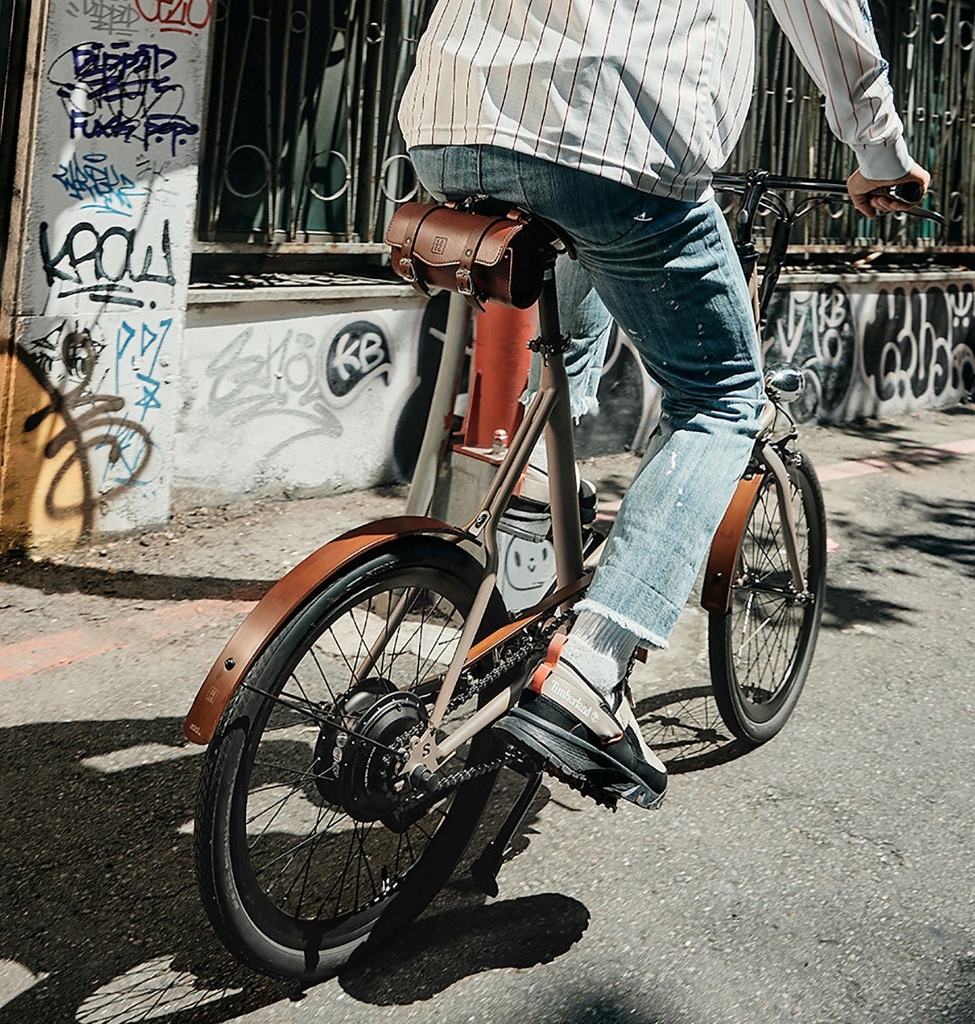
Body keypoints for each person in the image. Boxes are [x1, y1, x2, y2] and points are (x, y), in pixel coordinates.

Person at [398, 0, 930, 810]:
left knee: (569, 321)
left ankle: (538, 482)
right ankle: (592, 665)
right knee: (721, 398)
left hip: (448, 119)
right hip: (612, 129)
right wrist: (879, 152)